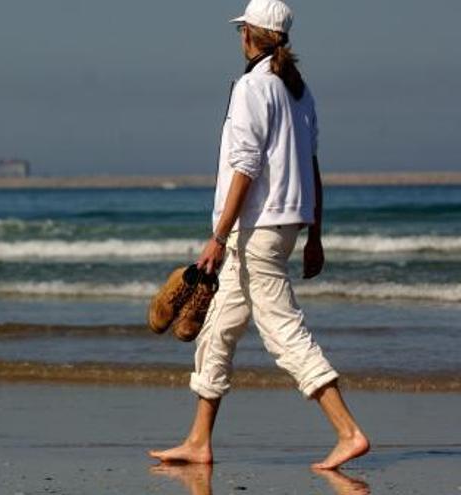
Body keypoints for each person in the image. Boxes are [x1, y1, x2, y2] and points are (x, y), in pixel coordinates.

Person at [149, 0, 369, 470]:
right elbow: (311, 167)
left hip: (256, 231)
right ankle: (198, 441)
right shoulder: (298, 91)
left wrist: (218, 236)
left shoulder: (253, 87)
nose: (239, 36)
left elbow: (245, 167)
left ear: (249, 33)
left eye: (241, 29)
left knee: (283, 331)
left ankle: (349, 432)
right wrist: (314, 235)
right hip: (283, 226)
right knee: (218, 330)